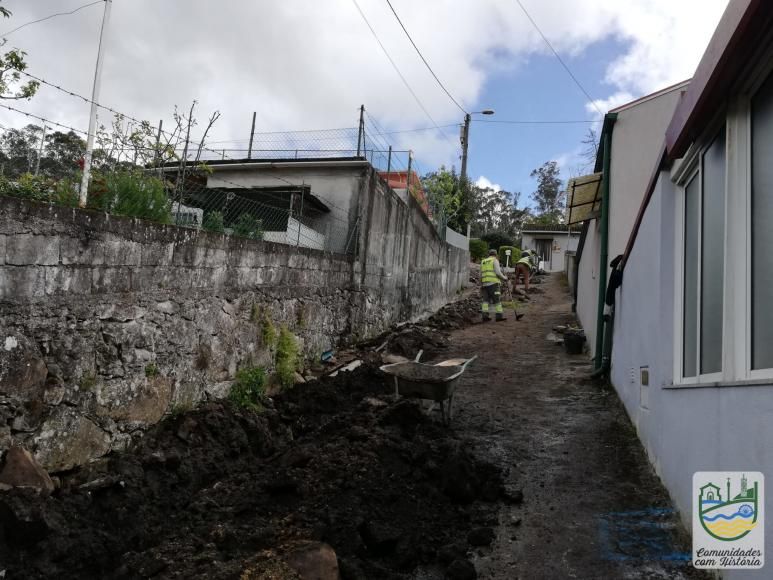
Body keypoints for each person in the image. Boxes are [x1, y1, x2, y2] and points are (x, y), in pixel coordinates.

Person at [480, 249, 509, 322]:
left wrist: (481, 284)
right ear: (496, 255)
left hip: (484, 284)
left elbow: (480, 274)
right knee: (497, 301)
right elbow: (498, 273)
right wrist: (505, 278)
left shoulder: (483, 261)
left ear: (488, 254)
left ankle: (485, 316)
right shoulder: (495, 260)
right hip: (493, 284)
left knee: (485, 301)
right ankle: (499, 316)